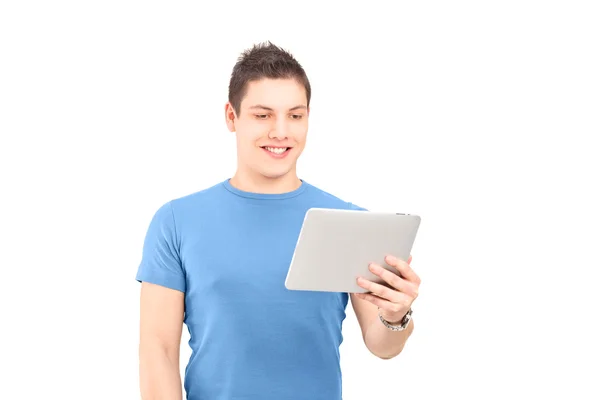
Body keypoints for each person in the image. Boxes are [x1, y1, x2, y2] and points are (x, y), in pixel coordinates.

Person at [136, 41, 421, 400]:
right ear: (231, 116)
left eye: (295, 115)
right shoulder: (176, 222)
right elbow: (158, 349)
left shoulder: (349, 223)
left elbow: (382, 346)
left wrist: (397, 316)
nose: (281, 131)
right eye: (262, 115)